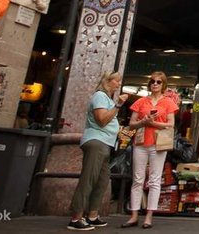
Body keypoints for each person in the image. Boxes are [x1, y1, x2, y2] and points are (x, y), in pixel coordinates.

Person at [67, 72, 129, 231]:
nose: (118, 84)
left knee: (101, 181)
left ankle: (92, 215)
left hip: (105, 144)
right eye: (116, 80)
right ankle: (76, 218)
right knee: (89, 179)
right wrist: (118, 105)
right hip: (97, 141)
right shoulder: (100, 96)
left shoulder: (106, 98)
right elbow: (101, 120)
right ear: (108, 81)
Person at [123, 71, 178, 229]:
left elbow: (170, 124)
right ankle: (134, 214)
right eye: (153, 81)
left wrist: (152, 124)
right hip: (140, 142)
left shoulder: (168, 103)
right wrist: (144, 122)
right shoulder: (141, 101)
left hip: (158, 144)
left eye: (158, 82)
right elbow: (132, 123)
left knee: (154, 180)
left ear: (163, 85)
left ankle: (149, 215)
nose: (155, 84)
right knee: (137, 179)